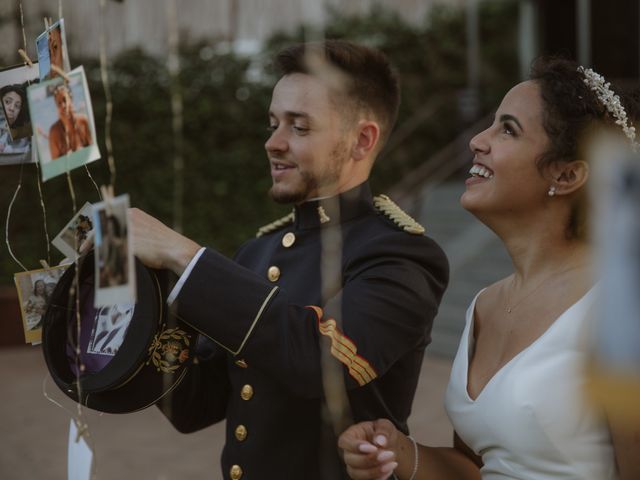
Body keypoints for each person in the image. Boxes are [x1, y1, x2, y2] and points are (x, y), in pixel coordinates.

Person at [128, 40, 449, 479]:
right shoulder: (258, 251)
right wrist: (132, 306)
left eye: (299, 127)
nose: (272, 143)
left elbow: (321, 363)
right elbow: (194, 407)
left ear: (361, 140)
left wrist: (182, 254)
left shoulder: (402, 255)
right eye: (273, 123)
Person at [338, 57, 640, 479]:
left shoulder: (619, 306)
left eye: (508, 129)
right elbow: (480, 467)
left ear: (567, 174)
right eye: (491, 123)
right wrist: (399, 452)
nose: (478, 140)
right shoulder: (485, 303)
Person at [48, 83, 92, 159]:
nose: (63, 105)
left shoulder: (83, 121)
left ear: (71, 100)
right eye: (59, 103)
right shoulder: (54, 132)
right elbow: (55, 166)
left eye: (65, 100)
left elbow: (92, 152)